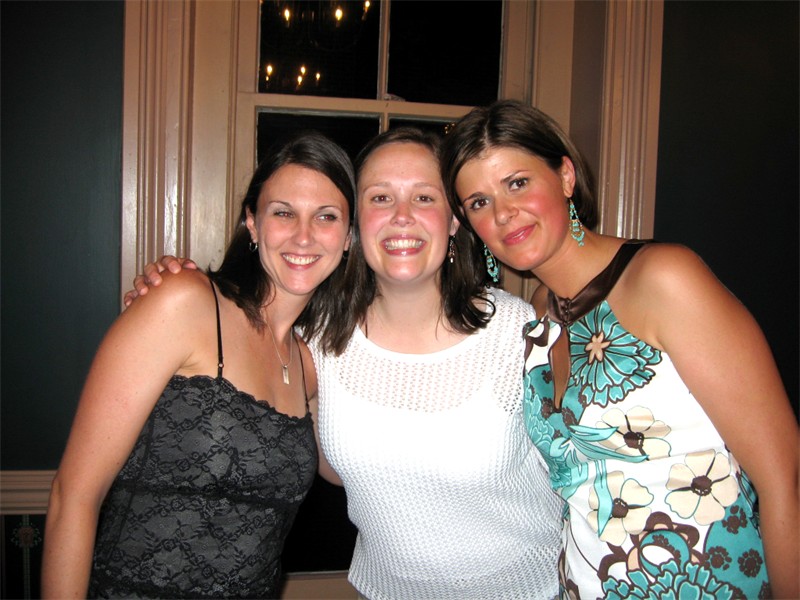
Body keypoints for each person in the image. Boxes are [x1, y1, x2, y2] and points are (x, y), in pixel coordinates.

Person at [127, 127, 564, 599]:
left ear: (454, 219)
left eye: (423, 197)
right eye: (380, 198)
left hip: (531, 589)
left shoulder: (518, 331)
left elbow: (587, 474)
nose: (401, 217)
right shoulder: (318, 340)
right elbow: (335, 464)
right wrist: (175, 289)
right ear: (355, 227)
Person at [440, 99, 799, 599]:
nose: (503, 213)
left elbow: (785, 478)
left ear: (565, 177)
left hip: (702, 580)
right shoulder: (541, 311)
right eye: (479, 202)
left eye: (517, 183)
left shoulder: (663, 278)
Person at [42, 131, 355, 599]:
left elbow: (350, 468)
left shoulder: (309, 364)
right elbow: (74, 495)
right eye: (283, 212)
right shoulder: (185, 303)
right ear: (252, 223)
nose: (303, 235)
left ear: (348, 238)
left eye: (326, 216)